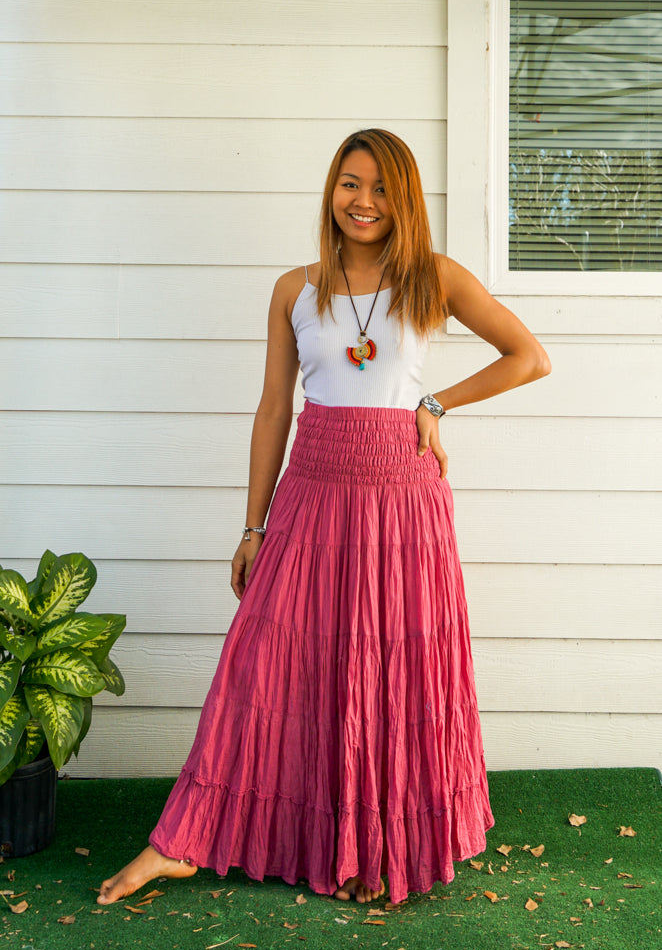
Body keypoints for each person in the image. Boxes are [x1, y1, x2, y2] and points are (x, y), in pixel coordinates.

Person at [97, 128, 551, 907]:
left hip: (403, 502)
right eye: (349, 183)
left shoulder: (434, 279)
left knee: (391, 671)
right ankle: (182, 843)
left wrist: (437, 404)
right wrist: (252, 525)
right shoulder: (293, 290)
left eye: (378, 187)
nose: (362, 201)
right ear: (330, 190)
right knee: (262, 665)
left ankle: (385, 843)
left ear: (402, 198)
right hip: (310, 490)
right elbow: (275, 408)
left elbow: (529, 356)